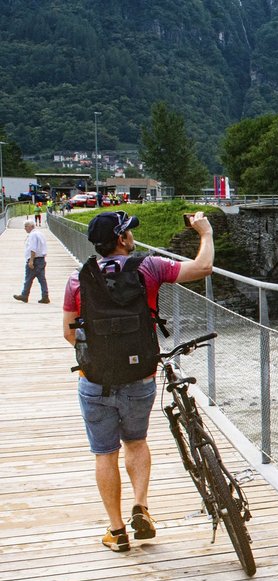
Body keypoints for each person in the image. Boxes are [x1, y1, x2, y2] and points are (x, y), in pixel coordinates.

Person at [62, 210, 213, 552]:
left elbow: (69, 333)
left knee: (104, 453)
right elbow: (202, 268)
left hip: (95, 379)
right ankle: (141, 506)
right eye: (128, 232)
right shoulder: (150, 267)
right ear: (121, 239)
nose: (132, 236)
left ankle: (116, 532)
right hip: (140, 376)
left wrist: (103, 353)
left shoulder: (77, 278)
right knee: (136, 442)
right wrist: (205, 232)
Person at [13, 218, 50, 304]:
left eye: (26, 226)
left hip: (35, 260)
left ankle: (24, 295)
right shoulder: (40, 234)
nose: (25, 228)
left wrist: (31, 261)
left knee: (28, 278)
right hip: (41, 259)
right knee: (42, 279)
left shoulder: (33, 235)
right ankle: (45, 296)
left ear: (31, 226)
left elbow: (33, 248)